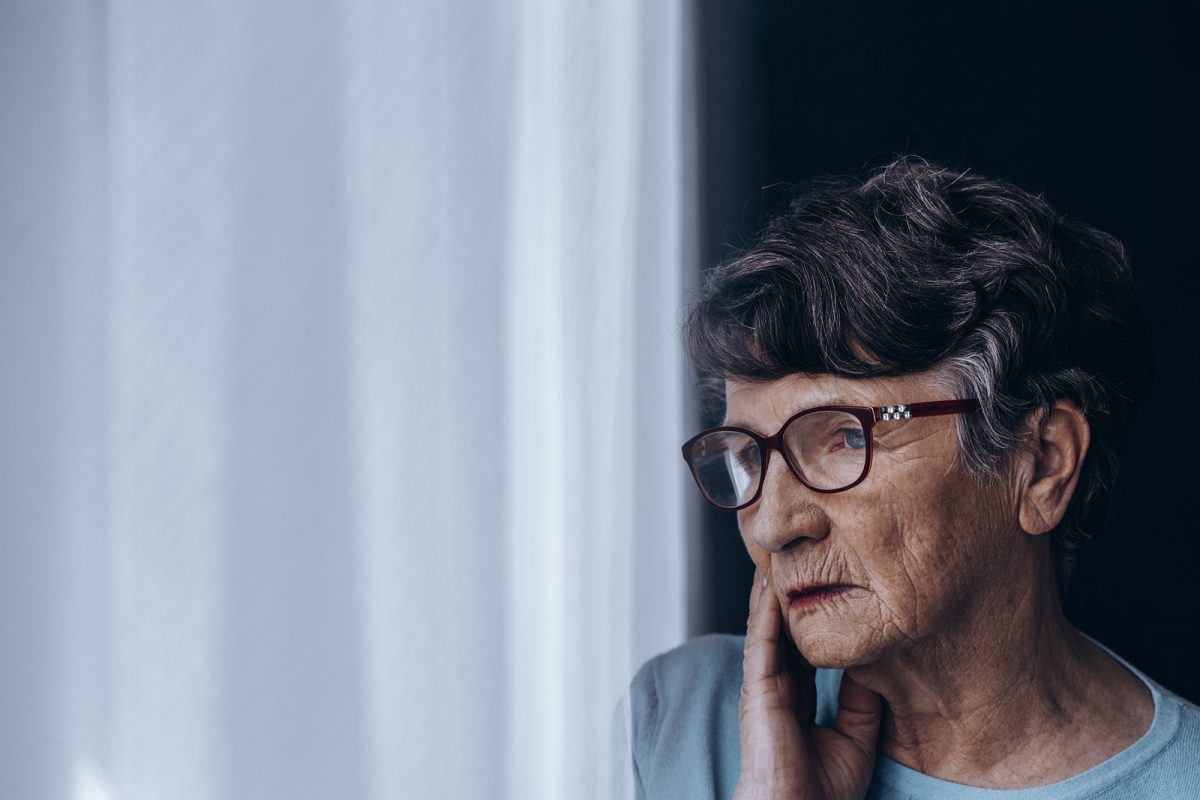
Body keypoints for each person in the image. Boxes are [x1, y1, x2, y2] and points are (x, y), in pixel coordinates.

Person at [624, 158, 1200, 799]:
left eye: (846, 438)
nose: (774, 525)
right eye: (751, 456)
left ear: (1042, 463)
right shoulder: (676, 725)